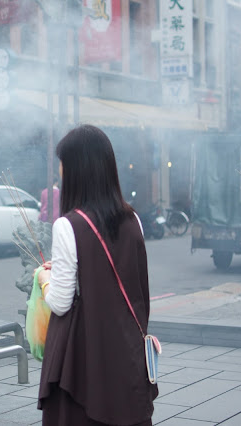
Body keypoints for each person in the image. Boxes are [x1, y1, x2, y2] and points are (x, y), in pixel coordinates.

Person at [35, 125, 157, 425]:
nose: (60, 172)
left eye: (62, 164)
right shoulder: (133, 220)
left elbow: (61, 303)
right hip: (127, 353)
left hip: (84, 359)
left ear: (77, 170)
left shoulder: (68, 226)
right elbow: (136, 286)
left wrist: (45, 280)